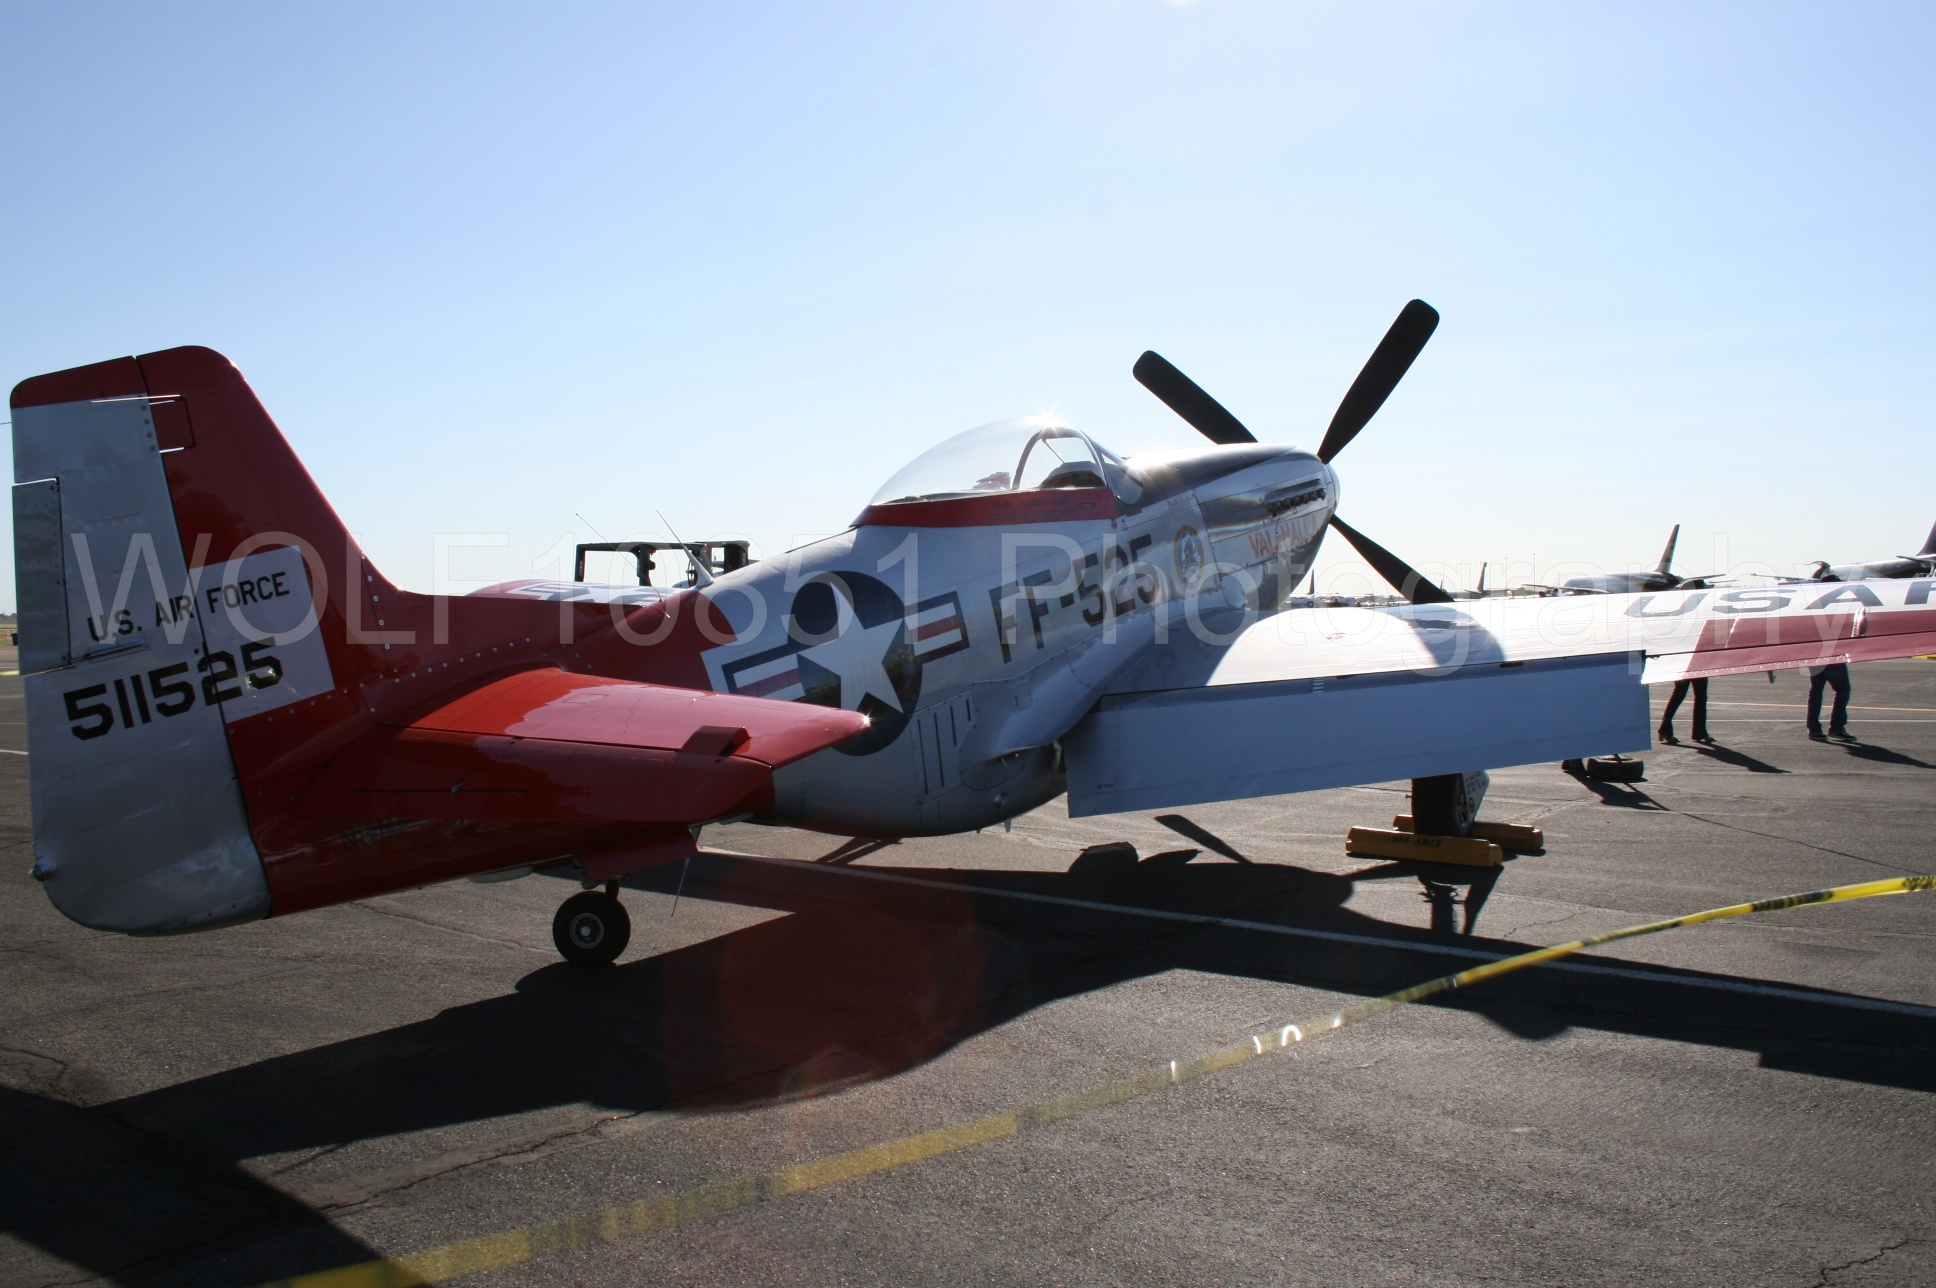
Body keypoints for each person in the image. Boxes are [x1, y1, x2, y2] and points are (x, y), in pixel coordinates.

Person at [1806, 662, 1853, 741]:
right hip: (1832, 658)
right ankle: (1836, 727)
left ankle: (1814, 729)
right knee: (1843, 690)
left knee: (1816, 690)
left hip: (1815, 658)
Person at [1658, 676, 1710, 744]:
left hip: (1688, 666)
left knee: (1680, 694)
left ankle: (1665, 729)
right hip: (1693, 667)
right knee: (1698, 695)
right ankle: (1699, 732)